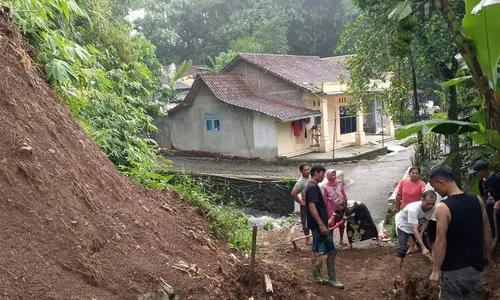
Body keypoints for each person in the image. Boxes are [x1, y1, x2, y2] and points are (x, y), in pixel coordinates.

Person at [428, 165, 491, 299]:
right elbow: (487, 229)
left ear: (441, 182)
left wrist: (435, 270)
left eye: (434, 186)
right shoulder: (477, 200)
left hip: (453, 271)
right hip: (476, 268)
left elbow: (441, 241)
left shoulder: (442, 208)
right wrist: (487, 254)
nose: (435, 191)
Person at [305, 165, 344, 289]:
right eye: (322, 174)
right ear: (316, 173)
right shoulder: (312, 187)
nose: (323, 176)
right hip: (318, 227)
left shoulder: (314, 186)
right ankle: (325, 278)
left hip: (319, 225)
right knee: (330, 251)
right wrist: (321, 225)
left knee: (318, 250)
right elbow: (312, 207)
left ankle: (320, 277)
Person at [395, 190, 437, 269]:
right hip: (404, 227)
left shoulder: (432, 208)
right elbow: (414, 230)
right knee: (402, 249)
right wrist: (422, 247)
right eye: (428, 203)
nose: (430, 206)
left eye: (432, 203)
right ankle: (398, 272)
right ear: (422, 200)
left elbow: (426, 220)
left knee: (427, 247)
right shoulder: (413, 209)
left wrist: (421, 232)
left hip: (417, 227)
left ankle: (430, 268)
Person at [394, 166, 426, 253]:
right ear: (409, 173)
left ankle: (420, 246)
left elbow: (425, 192)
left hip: (416, 211)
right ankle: (411, 246)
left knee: (414, 229)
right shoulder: (403, 182)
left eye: (417, 173)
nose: (415, 175)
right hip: (405, 209)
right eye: (413, 173)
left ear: (419, 175)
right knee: (405, 228)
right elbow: (398, 195)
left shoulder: (421, 184)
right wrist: (396, 207)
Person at [470, 160, 500, 238]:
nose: (476, 174)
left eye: (477, 172)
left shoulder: (496, 179)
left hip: (497, 209)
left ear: (483, 171)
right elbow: (482, 196)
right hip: (488, 209)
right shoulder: (481, 182)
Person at [323, 169, 348, 245]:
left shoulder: (339, 183)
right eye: (332, 175)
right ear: (328, 176)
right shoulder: (326, 186)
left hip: (341, 206)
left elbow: (343, 192)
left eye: (334, 175)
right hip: (331, 208)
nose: (333, 177)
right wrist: (325, 209)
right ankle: (331, 241)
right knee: (331, 224)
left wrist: (346, 200)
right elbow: (324, 198)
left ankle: (341, 240)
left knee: (341, 224)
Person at [291, 163, 311, 244]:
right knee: (306, 221)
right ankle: (307, 238)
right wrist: (300, 202)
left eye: (308, 169)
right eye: (305, 170)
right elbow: (293, 193)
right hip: (305, 204)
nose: (307, 171)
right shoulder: (301, 182)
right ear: (301, 171)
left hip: (313, 203)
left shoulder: (311, 176)